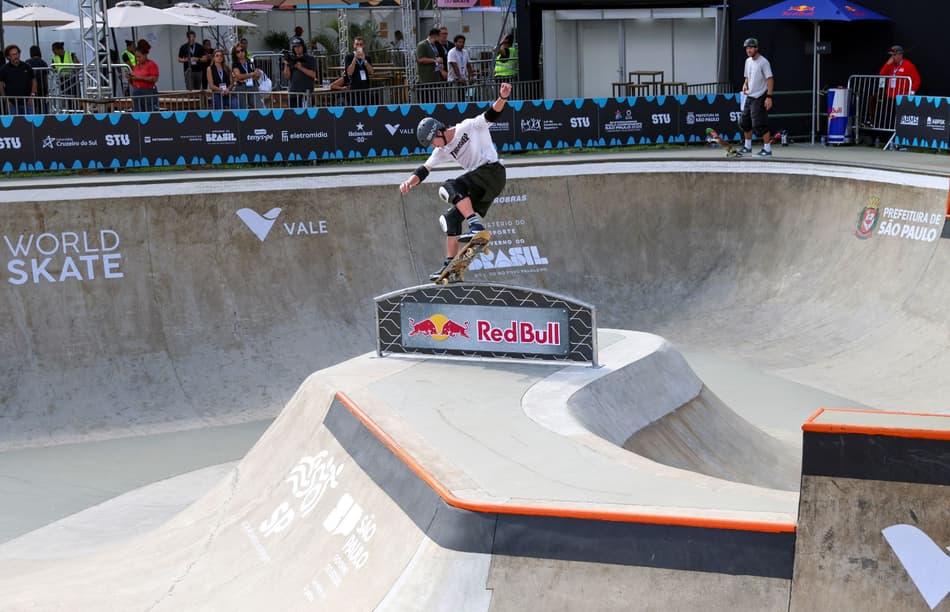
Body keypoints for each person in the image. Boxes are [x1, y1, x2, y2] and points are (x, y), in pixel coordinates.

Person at [398, 82, 512, 281]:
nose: (433, 146)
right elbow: (424, 169)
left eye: (432, 141)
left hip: (493, 172)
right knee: (449, 219)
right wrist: (409, 182)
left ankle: (475, 225)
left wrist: (502, 98)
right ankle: (450, 267)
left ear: (438, 131)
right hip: (479, 184)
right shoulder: (442, 151)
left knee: (449, 186)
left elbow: (491, 115)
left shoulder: (468, 127)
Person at [739, 37, 774, 157]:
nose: (748, 50)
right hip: (749, 95)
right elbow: (747, 77)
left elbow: (770, 79)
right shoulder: (748, 61)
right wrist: (745, 84)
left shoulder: (763, 62)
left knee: (759, 123)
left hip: (760, 95)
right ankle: (747, 147)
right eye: (747, 48)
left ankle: (767, 149)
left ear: (757, 48)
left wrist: (769, 97)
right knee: (744, 122)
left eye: (751, 48)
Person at [0, 45, 36, 114]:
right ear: (8, 57)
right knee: (15, 124)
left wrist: (32, 95)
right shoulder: (4, 69)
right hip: (12, 104)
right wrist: (6, 100)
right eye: (13, 55)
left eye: (17, 54)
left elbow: (34, 81)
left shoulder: (27, 66)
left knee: (30, 123)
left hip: (27, 102)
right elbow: (0, 85)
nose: (16, 56)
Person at [283, 37, 317, 107]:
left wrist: (300, 68)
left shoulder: (310, 58)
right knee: (294, 116)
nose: (297, 48)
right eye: (295, 47)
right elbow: (287, 77)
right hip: (293, 93)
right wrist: (287, 64)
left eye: (299, 46)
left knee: (308, 116)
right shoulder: (292, 59)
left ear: (303, 47)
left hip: (306, 93)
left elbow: (313, 75)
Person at [127, 39, 159, 112]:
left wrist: (139, 78)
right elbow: (133, 82)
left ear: (145, 55)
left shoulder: (151, 64)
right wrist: (130, 78)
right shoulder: (136, 67)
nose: (137, 59)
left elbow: (154, 79)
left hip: (148, 92)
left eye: (139, 57)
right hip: (137, 92)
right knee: (137, 112)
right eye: (136, 57)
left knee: (149, 112)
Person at [343, 36, 374, 104]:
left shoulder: (367, 57)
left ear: (364, 46)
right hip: (354, 87)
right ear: (354, 45)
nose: (359, 46)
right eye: (357, 44)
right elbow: (349, 72)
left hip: (365, 87)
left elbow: (371, 71)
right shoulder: (349, 57)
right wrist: (355, 58)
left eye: (361, 44)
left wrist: (364, 60)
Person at [231, 44, 261, 109]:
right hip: (241, 87)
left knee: (259, 107)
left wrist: (244, 77)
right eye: (238, 52)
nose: (240, 53)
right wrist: (251, 74)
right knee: (243, 109)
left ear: (245, 51)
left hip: (253, 86)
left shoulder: (251, 61)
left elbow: (258, 74)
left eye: (242, 50)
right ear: (235, 54)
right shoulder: (235, 63)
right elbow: (238, 76)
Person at [50, 42, 78, 108]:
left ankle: (76, 109)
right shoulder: (54, 59)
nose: (53, 52)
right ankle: (68, 109)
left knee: (75, 97)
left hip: (72, 79)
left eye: (53, 50)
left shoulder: (70, 55)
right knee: (66, 97)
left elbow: (77, 66)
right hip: (62, 80)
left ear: (58, 49)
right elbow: (53, 69)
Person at [24, 45, 48, 113]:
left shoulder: (27, 62)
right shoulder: (44, 63)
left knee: (32, 106)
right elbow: (46, 78)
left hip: (31, 88)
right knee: (42, 106)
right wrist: (46, 90)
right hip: (42, 87)